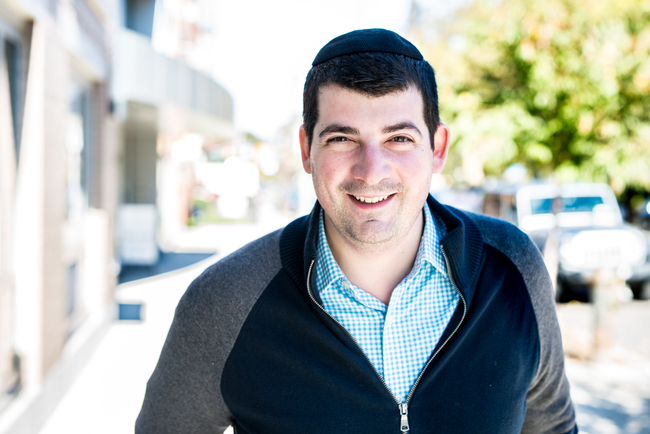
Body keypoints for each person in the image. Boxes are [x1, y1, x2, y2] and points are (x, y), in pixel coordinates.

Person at [136, 29, 577, 434]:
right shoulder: (226, 301)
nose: (371, 171)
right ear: (307, 150)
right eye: (342, 139)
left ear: (437, 148)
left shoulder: (512, 268)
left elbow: (553, 428)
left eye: (398, 138)